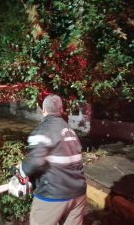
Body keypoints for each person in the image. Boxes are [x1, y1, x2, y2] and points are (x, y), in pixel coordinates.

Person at [15, 94, 87, 225]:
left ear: (43, 110)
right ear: (61, 110)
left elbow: (35, 161)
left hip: (53, 194)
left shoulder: (42, 130)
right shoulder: (70, 131)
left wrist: (20, 171)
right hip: (78, 193)